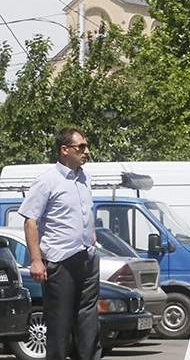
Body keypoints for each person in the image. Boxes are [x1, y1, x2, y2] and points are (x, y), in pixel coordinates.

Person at [20, 128, 100, 360]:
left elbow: (85, 212)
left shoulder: (85, 178)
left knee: (88, 321)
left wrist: (92, 236)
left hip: (87, 257)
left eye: (86, 146)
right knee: (59, 324)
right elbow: (30, 221)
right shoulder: (47, 180)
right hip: (60, 260)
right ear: (64, 150)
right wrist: (36, 260)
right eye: (81, 147)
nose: (86, 151)